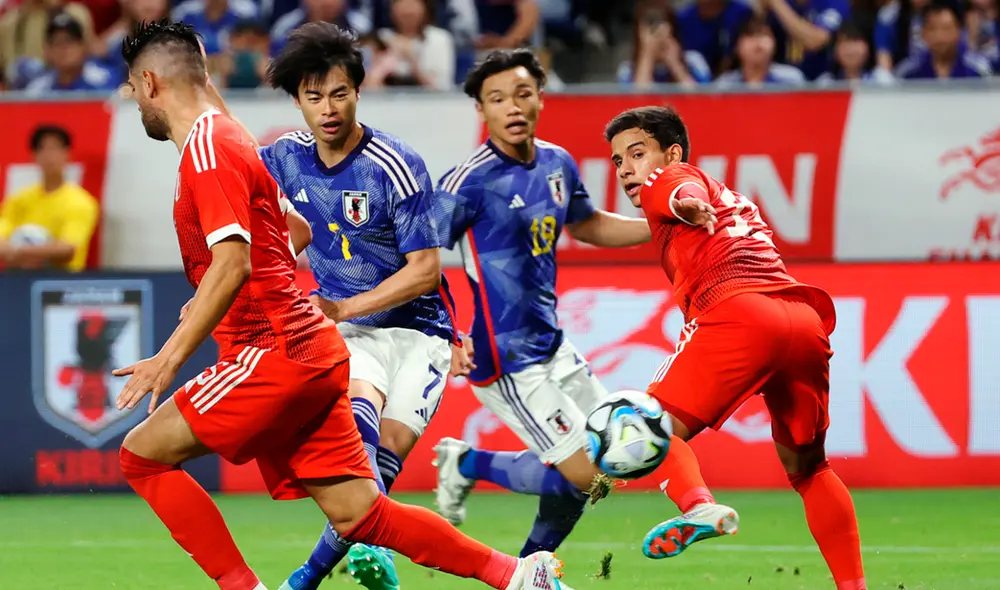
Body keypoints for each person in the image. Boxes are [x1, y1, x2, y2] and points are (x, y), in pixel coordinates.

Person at [114, 19, 571, 590]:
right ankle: (518, 576)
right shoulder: (241, 145)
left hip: (274, 350)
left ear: (150, 82)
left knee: (142, 456)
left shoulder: (208, 149)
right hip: (315, 349)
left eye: (133, 89)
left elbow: (232, 261)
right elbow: (295, 230)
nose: (134, 102)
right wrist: (218, 290)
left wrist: (169, 357)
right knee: (362, 513)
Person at [604, 105, 866, 590]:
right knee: (809, 469)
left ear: (671, 151)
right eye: (618, 161)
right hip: (802, 321)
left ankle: (699, 507)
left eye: (636, 154)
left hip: (738, 315)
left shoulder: (674, 177)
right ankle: (854, 586)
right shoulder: (735, 199)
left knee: (645, 426)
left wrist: (685, 202)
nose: (626, 169)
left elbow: (679, 189)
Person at [247, 22, 458, 590]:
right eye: (314, 98)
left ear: (358, 91)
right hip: (353, 335)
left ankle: (311, 574)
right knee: (360, 426)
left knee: (387, 456)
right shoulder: (284, 157)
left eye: (339, 93)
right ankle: (344, 568)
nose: (328, 108)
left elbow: (426, 271)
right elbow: (248, 192)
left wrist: (341, 307)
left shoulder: (397, 164)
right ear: (298, 101)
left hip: (423, 331)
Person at [431, 49, 652, 558]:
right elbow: (416, 259)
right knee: (587, 474)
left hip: (552, 344)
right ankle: (474, 476)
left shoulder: (557, 162)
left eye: (523, 94)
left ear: (540, 100)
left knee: (605, 466)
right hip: (504, 359)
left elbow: (588, 223)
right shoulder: (467, 181)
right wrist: (447, 334)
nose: (512, 106)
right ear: (481, 111)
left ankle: (526, 560)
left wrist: (661, 227)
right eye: (497, 98)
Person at [0, 124, 99, 271]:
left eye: (55, 148)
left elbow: (68, 249)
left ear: (67, 154)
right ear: (34, 155)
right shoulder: (18, 199)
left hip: (59, 284)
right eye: (42, 149)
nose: (49, 156)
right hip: (17, 279)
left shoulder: (81, 202)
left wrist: (19, 252)